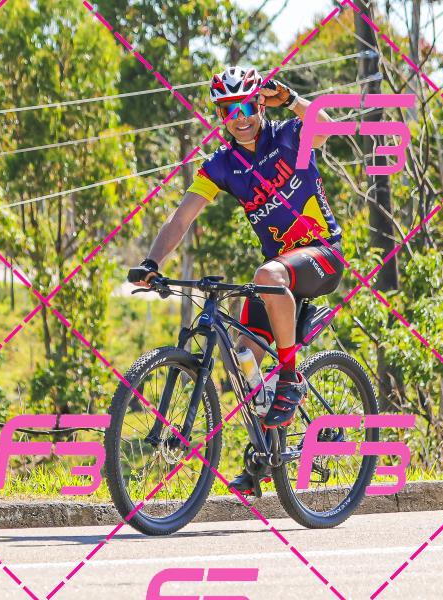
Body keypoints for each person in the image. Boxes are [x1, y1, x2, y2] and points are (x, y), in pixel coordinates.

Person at [127, 65, 344, 494]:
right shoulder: (221, 166)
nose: (239, 118)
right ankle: (265, 455)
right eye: (229, 111)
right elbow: (181, 218)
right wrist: (151, 261)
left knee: (266, 273)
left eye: (246, 106)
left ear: (260, 103)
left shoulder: (289, 136)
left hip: (322, 256)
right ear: (220, 116)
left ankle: (291, 376)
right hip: (276, 276)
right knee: (242, 359)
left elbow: (327, 128)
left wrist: (291, 99)